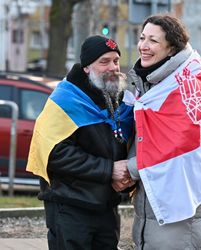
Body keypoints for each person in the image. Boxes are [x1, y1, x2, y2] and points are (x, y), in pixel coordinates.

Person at [125, 14, 201, 249]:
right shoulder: (151, 83)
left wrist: (127, 169)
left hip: (181, 219)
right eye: (142, 37)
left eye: (153, 41)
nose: (144, 46)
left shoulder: (186, 88)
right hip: (153, 212)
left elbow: (176, 148)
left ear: (171, 48)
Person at [26, 35, 134, 250]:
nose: (112, 68)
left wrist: (128, 173)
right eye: (104, 62)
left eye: (115, 61)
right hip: (70, 206)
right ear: (86, 67)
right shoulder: (65, 100)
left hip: (106, 206)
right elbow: (55, 154)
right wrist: (108, 170)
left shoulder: (121, 98)